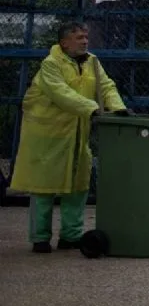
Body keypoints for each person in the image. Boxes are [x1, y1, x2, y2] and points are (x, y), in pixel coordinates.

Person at [12, 21, 127, 252]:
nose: (85, 41)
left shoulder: (92, 62)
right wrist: (93, 108)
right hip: (48, 136)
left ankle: (70, 236)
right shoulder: (51, 65)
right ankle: (40, 238)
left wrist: (117, 107)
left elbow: (105, 86)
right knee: (43, 188)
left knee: (78, 186)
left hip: (76, 133)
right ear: (64, 42)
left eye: (85, 36)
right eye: (78, 37)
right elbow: (60, 94)